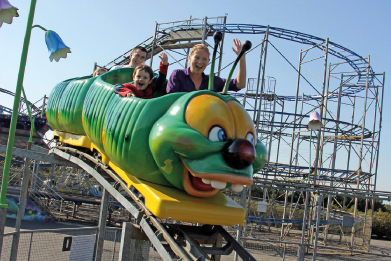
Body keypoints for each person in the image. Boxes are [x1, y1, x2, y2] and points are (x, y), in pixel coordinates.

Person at [166, 39, 246, 93]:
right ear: (189, 58)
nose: (200, 62)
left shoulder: (212, 81)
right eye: (197, 57)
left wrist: (241, 59)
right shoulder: (178, 75)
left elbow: (240, 84)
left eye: (204, 59)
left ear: (208, 62)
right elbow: (170, 100)